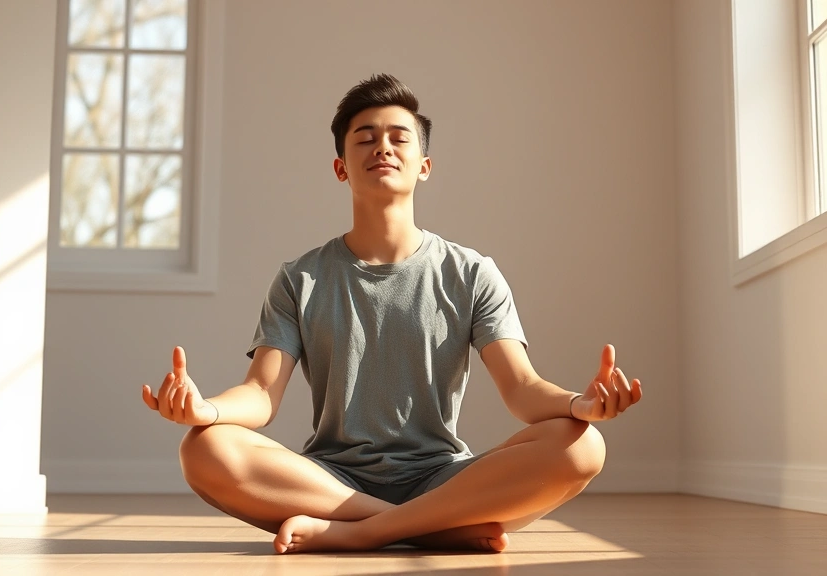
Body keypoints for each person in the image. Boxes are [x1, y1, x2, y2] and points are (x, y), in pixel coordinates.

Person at [142, 73, 642, 554]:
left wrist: (580, 405)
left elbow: (523, 390)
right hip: (330, 481)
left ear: (424, 165)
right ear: (341, 167)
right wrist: (206, 410)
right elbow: (260, 394)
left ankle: (363, 532)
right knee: (203, 450)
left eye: (399, 138)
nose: (383, 147)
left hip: (443, 475)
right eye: (365, 138)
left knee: (583, 447)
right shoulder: (300, 278)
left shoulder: (471, 273)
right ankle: (429, 528)